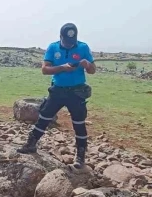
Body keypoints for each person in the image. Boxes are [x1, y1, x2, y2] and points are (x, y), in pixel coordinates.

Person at [17, 23, 96, 169]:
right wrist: (62, 68)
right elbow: (45, 70)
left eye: (72, 42)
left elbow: (93, 70)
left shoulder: (83, 47)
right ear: (60, 37)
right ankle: (31, 144)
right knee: (44, 118)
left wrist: (87, 66)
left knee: (79, 123)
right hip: (58, 90)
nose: (69, 45)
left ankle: (80, 155)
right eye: (66, 42)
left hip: (77, 92)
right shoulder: (53, 48)